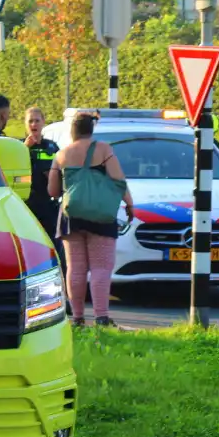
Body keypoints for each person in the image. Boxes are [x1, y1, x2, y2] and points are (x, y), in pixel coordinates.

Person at [48, 112, 134, 328]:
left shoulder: (61, 155)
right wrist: (129, 204)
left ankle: (77, 318)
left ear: (72, 131)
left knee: (75, 268)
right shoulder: (103, 149)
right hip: (101, 216)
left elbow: (53, 190)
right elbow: (118, 180)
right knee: (100, 267)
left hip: (71, 217)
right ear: (91, 129)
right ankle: (101, 317)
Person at [22, 107, 63, 271]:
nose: (34, 124)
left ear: (43, 122)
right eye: (30, 121)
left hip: (48, 203)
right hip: (26, 204)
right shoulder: (19, 147)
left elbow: (61, 170)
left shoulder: (52, 147)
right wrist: (25, 149)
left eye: (37, 120)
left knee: (52, 245)